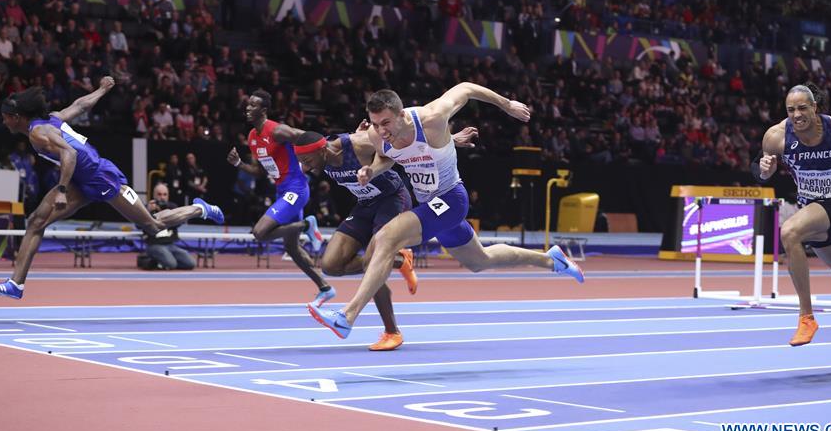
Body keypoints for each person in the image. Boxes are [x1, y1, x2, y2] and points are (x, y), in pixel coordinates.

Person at [307, 84, 585, 338]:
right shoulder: (376, 135)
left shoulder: (432, 117)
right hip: (429, 204)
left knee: (385, 239)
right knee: (480, 260)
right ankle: (552, 260)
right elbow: (385, 157)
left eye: (386, 123)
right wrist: (372, 169)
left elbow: (466, 88)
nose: (381, 131)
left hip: (451, 199)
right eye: (377, 124)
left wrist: (506, 104)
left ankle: (347, 316)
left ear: (401, 114)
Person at [0, 79, 224, 299]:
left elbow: (70, 153)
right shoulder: (50, 119)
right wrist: (102, 90)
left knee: (153, 225)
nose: (4, 122)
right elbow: (79, 106)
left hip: (100, 177)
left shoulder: (37, 133)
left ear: (16, 117)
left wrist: (62, 190)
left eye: (5, 117)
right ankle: (16, 284)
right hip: (81, 181)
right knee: (36, 221)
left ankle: (198, 209)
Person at [294, 123, 479, 350]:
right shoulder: (319, 155)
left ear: (322, 150)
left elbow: (406, 143)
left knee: (373, 260)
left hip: (392, 198)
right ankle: (399, 260)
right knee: (331, 265)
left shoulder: (357, 144)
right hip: (365, 205)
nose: (305, 168)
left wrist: (451, 139)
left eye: (308, 161)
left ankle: (392, 332)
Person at [758, 84, 831, 346]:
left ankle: (807, 318)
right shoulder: (776, 137)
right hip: (813, 209)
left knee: (790, 232)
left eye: (803, 108)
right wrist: (764, 169)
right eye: (791, 110)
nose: (797, 114)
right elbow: (762, 170)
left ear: (814, 107)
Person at [227, 89, 332, 305]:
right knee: (292, 248)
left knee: (260, 232)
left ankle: (306, 226)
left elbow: (306, 137)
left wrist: (315, 158)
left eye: (253, 105)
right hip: (282, 191)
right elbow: (259, 171)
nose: (248, 108)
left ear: (263, 110)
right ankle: (325, 287)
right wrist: (239, 164)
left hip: (296, 189)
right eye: (247, 104)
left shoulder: (277, 131)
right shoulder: (252, 137)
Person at [143, 183, 195, 270]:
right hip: (154, 244)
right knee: (171, 264)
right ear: (154, 195)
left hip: (170, 245)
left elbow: (180, 223)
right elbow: (138, 225)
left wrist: (169, 215)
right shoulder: (146, 208)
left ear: (168, 196)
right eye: (159, 194)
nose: (162, 197)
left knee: (190, 263)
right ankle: (147, 260)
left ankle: (160, 263)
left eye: (164, 194)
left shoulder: (172, 207)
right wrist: (148, 212)